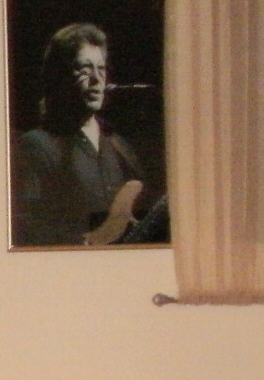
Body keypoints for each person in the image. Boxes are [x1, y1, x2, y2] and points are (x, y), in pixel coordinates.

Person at [12, 23, 160, 247]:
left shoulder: (118, 144)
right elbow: (30, 231)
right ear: (58, 76)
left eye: (101, 69)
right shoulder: (36, 146)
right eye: (84, 69)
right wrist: (94, 240)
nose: (97, 79)